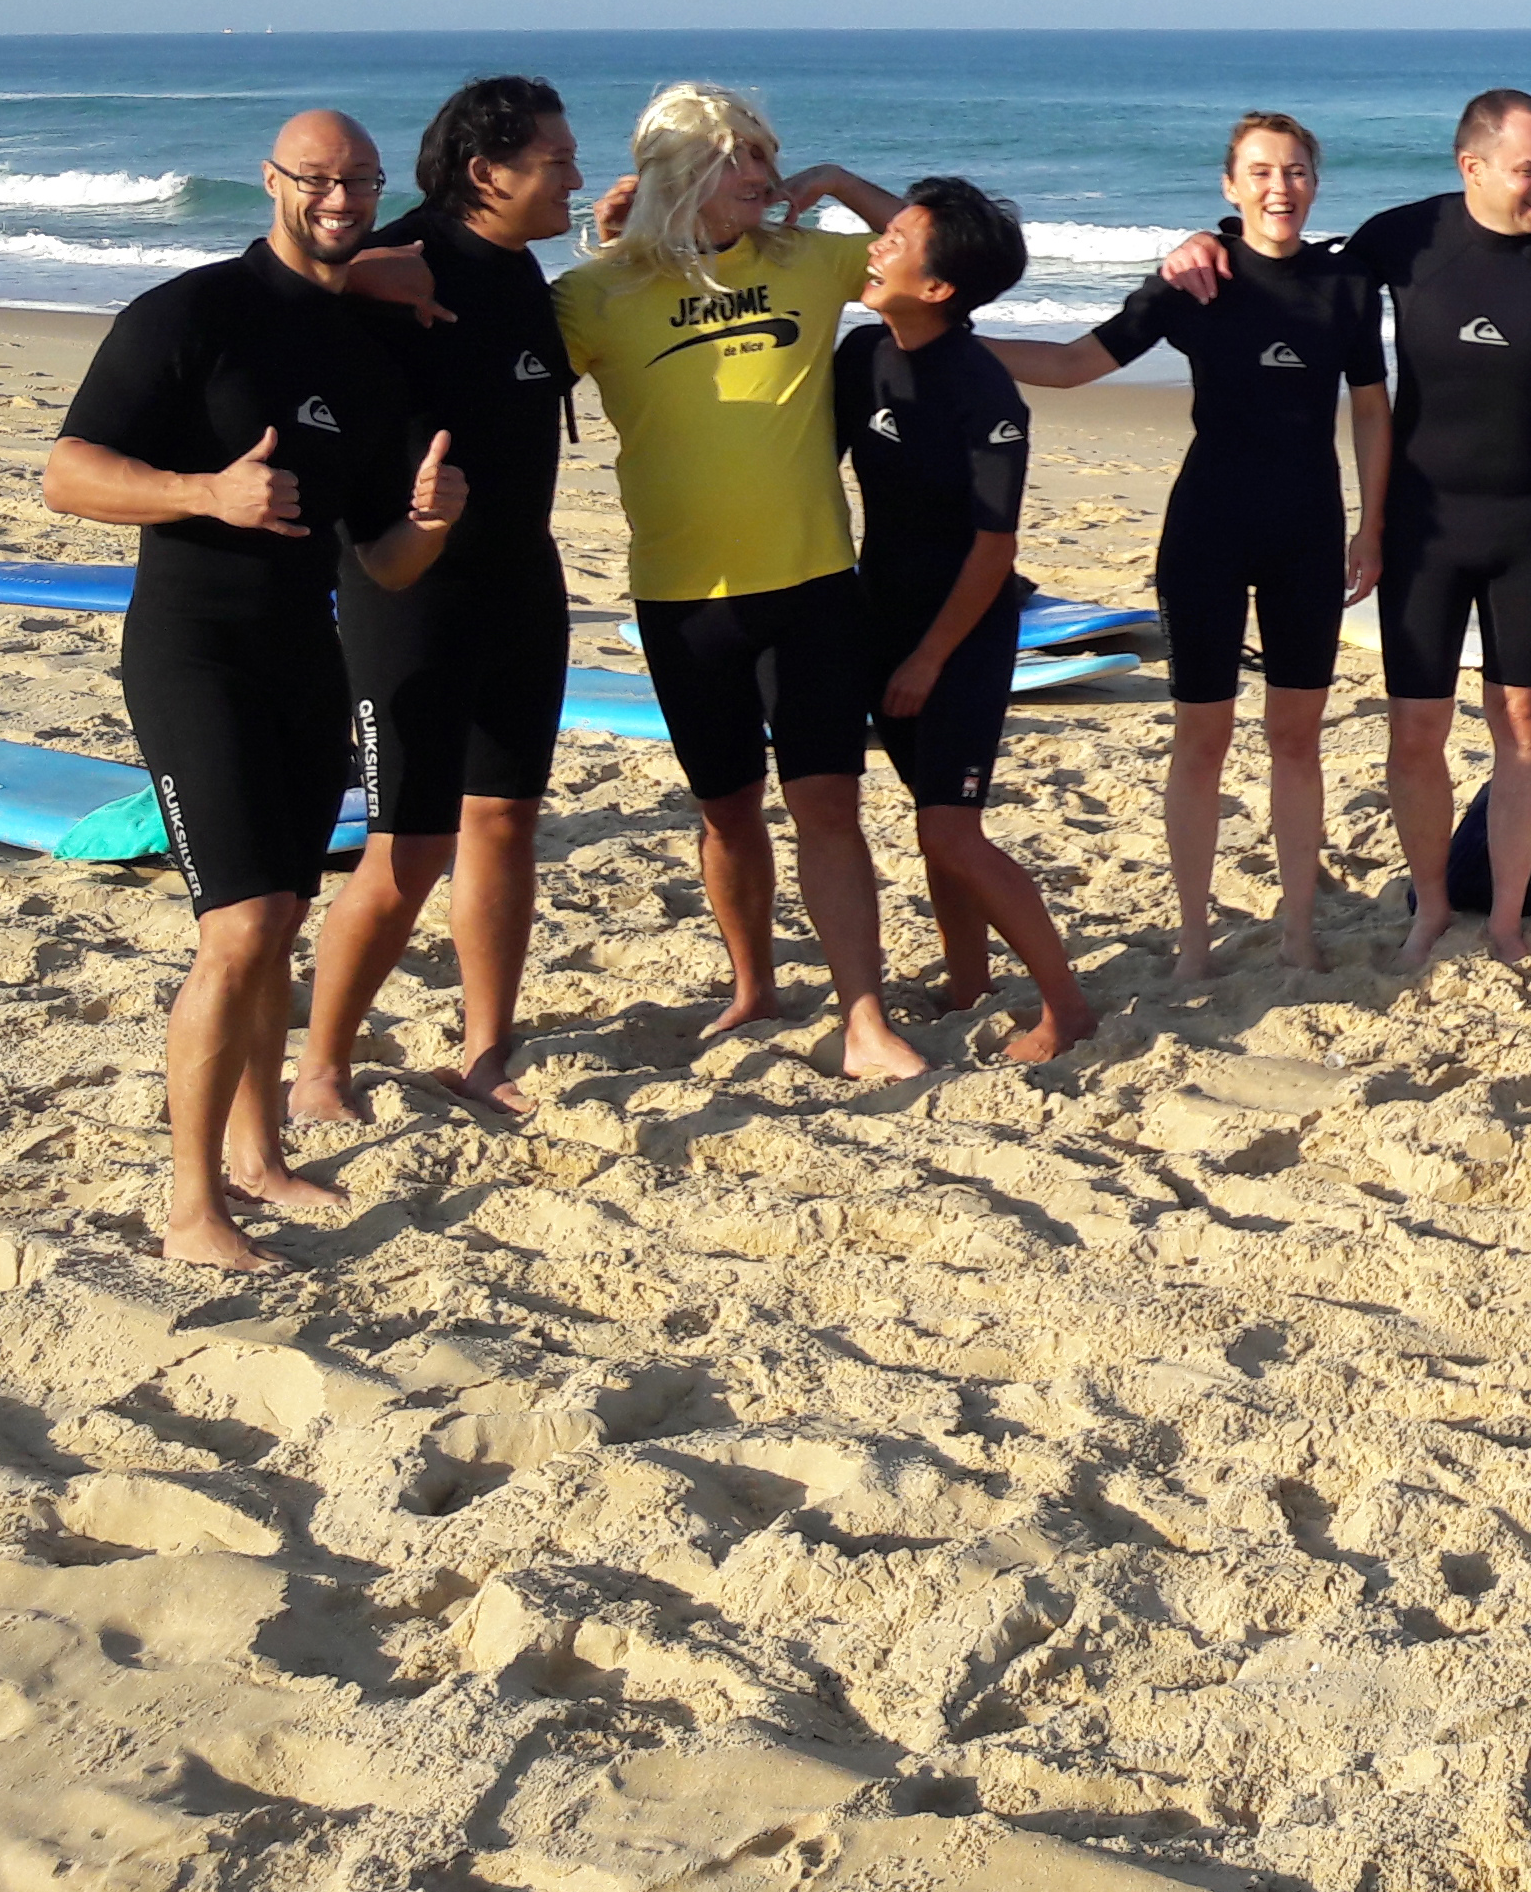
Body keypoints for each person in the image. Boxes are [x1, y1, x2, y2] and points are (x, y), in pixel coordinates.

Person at [42, 109, 469, 1268]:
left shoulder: (369, 355)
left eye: (362, 182)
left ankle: (260, 1156)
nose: (342, 199)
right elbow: (66, 477)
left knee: (278, 922)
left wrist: (430, 528)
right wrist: (205, 494)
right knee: (235, 930)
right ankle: (191, 1210)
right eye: (319, 179)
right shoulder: (189, 314)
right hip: (192, 653)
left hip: (303, 656)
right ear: (272, 181)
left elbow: (379, 557)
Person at [1154, 88, 1531, 964]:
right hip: (1424, 525)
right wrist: (1202, 241)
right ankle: (1429, 908)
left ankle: (1500, 922)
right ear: (1474, 167)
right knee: (1416, 731)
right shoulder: (1405, 238)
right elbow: (1290, 266)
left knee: (1522, 723)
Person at [553, 81, 918, 1081]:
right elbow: (503, 374)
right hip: (682, 598)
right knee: (726, 810)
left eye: (766, 156)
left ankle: (864, 1021)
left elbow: (939, 261)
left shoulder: (808, 258)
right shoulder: (598, 293)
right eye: (737, 161)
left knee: (828, 805)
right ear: (680, 175)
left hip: (809, 588)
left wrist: (838, 182)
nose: (762, 177)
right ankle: (752, 982)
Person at [995, 111, 1391, 978]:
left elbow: (1369, 405)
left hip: (1308, 533)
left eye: (1294, 172)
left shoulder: (1349, 286)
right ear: (1230, 185)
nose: (1279, 188)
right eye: (1260, 172)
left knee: (1298, 737)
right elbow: (1073, 365)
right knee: (1200, 739)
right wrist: (955, 343)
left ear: (1315, 182)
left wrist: (1373, 522)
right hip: (1207, 530)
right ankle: (1192, 940)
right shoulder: (1193, 284)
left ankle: (1296, 931)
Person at [295, 75, 580, 1125]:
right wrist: (357, 272)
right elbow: (277, 293)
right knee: (406, 845)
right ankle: (323, 1065)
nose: (574, 178)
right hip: (406, 586)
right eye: (555, 162)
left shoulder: (524, 269)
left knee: (505, 817)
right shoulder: (401, 259)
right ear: (484, 172)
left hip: (522, 579)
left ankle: (484, 1049)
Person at [825, 175, 1096, 1060]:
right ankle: (969, 982)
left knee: (950, 826)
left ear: (939, 287)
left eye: (897, 241)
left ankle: (1066, 1006)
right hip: (881, 614)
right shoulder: (861, 356)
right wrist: (827, 182)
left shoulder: (984, 393)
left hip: (963, 633)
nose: (876, 246)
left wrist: (929, 659)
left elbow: (993, 550)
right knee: (930, 813)